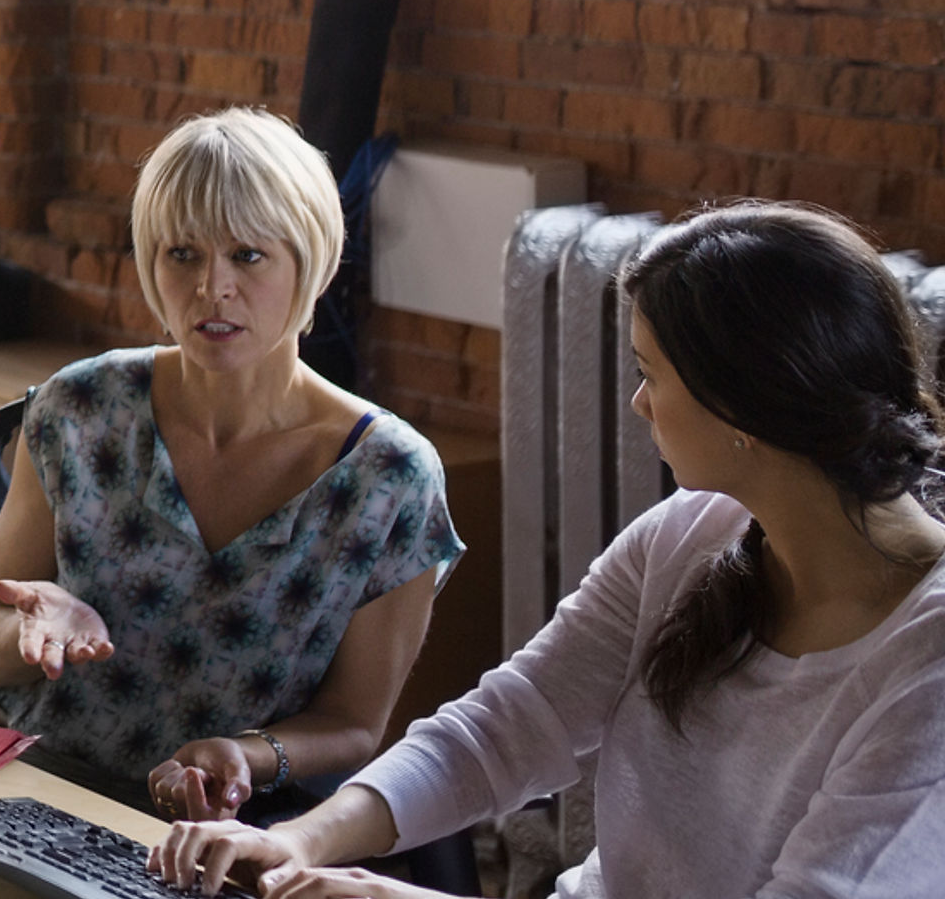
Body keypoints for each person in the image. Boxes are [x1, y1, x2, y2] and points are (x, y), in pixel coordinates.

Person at [153, 203, 945, 899]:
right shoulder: (688, 534)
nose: (638, 404)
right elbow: (502, 728)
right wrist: (296, 840)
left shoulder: (928, 652)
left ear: (741, 402)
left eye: (649, 375)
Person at [0, 108, 459, 821]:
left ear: (310, 259)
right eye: (183, 255)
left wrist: (246, 755)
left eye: (248, 256)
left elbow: (354, 724)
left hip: (241, 834)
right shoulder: (80, 410)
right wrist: (32, 630)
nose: (212, 288)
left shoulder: (390, 478)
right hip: (44, 798)